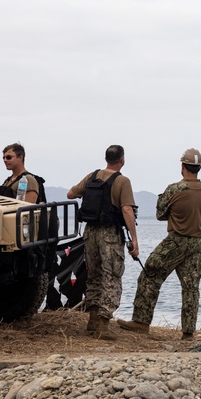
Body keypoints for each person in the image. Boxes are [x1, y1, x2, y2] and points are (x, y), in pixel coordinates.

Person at [119, 149, 201, 340]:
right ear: (198, 168)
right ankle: (188, 332)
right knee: (191, 287)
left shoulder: (174, 189)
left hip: (176, 240)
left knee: (150, 275)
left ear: (183, 167)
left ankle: (141, 322)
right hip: (197, 243)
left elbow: (160, 214)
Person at [67, 145, 140, 340]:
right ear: (122, 160)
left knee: (94, 275)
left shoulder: (93, 176)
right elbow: (126, 210)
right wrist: (134, 239)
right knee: (112, 276)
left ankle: (92, 320)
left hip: (90, 233)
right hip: (110, 234)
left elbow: (71, 194)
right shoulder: (122, 181)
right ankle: (103, 323)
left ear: (106, 158)